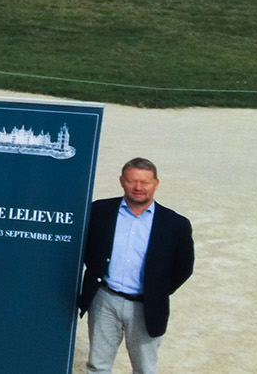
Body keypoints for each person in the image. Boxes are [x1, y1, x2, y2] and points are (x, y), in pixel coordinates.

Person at [79, 158, 194, 374]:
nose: (138, 188)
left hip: (146, 306)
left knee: (144, 369)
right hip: (105, 301)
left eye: (145, 182)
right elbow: (87, 251)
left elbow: (184, 268)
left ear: (156, 184)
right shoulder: (99, 211)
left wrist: (156, 290)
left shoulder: (176, 224)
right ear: (122, 181)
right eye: (132, 181)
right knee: (98, 365)